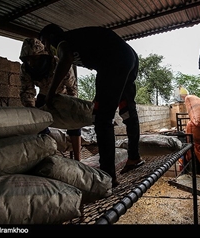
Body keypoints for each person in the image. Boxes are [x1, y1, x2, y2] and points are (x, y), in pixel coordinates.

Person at [38, 24, 144, 187]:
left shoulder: (60, 41)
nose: (45, 47)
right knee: (127, 112)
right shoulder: (76, 40)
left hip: (115, 60)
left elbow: (66, 58)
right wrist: (99, 96)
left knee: (102, 119)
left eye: (43, 41)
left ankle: (108, 176)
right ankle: (134, 158)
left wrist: (50, 94)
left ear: (50, 37)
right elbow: (103, 72)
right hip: (128, 58)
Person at [19, 37, 82, 161]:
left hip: (63, 94)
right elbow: (27, 90)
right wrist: (31, 109)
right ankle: (49, 152)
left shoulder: (58, 64)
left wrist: (72, 106)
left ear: (42, 57)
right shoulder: (26, 69)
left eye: (34, 58)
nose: (31, 62)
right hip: (44, 94)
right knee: (38, 123)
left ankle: (78, 159)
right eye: (28, 59)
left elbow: (72, 87)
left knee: (75, 123)